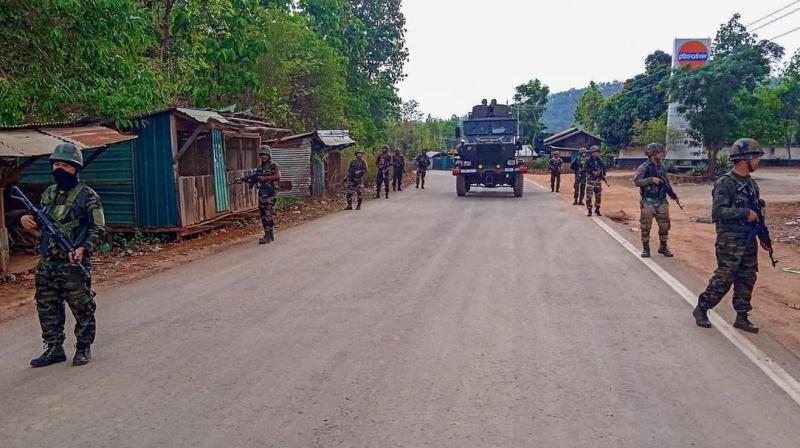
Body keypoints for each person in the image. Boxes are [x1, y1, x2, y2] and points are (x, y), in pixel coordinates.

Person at [21, 143, 105, 367]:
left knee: (81, 305)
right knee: (46, 304)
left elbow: (98, 228)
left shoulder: (88, 196)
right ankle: (54, 347)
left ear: (76, 168)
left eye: (65, 165)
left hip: (73, 262)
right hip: (48, 262)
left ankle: (83, 346)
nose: (60, 169)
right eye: (56, 164)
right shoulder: (49, 193)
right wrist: (26, 219)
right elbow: (40, 218)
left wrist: (83, 248)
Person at [693, 138, 767, 334]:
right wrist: (744, 214)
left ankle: (742, 316)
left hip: (749, 239)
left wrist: (762, 233)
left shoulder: (752, 185)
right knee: (725, 277)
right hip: (730, 240)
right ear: (744, 159)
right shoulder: (725, 183)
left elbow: (756, 213)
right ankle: (702, 307)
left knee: (747, 277)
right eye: (756, 157)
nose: (759, 161)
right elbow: (718, 213)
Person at [634, 143, 677, 258]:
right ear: (653, 154)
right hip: (648, 202)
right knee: (645, 226)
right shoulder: (644, 167)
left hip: (662, 201)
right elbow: (637, 182)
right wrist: (651, 179)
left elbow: (666, 182)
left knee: (664, 226)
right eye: (660, 153)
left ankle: (663, 247)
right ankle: (646, 249)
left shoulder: (661, 167)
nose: (662, 155)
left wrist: (673, 195)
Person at [254, 145, 281, 245]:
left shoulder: (273, 165)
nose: (263, 157)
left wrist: (264, 178)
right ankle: (269, 234)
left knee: (267, 213)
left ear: (269, 155)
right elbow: (256, 177)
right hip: (262, 193)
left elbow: (278, 176)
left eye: (265, 154)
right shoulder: (259, 167)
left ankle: (268, 236)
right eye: (261, 155)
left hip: (270, 193)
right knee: (262, 214)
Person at [584, 146, 606, 217]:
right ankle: (589, 210)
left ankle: (597, 209)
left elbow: (603, 168)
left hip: (598, 182)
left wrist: (603, 175)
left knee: (598, 197)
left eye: (598, 152)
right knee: (589, 197)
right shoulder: (588, 160)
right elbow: (585, 169)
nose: (597, 153)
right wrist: (592, 172)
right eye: (595, 152)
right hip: (591, 181)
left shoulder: (600, 161)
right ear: (592, 153)